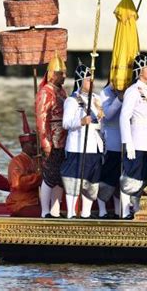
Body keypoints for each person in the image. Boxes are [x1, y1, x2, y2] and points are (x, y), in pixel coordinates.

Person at [61, 61, 104, 219]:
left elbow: (101, 122)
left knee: (91, 183)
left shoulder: (97, 99)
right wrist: (81, 122)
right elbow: (66, 123)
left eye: (92, 79)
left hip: (94, 146)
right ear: (80, 80)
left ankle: (86, 214)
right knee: (74, 180)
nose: (91, 82)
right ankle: (71, 213)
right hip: (78, 147)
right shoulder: (72, 101)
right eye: (87, 79)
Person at [119, 54, 147, 219]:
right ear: (140, 70)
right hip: (138, 139)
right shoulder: (133, 91)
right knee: (131, 176)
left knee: (146, 177)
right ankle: (125, 210)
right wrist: (127, 142)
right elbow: (124, 117)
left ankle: (138, 209)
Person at [36, 53, 68, 218]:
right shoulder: (45, 92)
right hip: (52, 139)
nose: (65, 76)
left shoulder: (62, 92)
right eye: (62, 73)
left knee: (59, 177)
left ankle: (55, 211)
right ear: (54, 74)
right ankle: (45, 211)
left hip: (64, 140)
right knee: (49, 176)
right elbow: (41, 119)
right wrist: (45, 142)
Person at [6, 111, 42, 217]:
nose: (36, 147)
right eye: (33, 144)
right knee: (43, 214)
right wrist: (40, 176)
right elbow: (18, 184)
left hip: (35, 201)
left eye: (37, 144)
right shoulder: (16, 162)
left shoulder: (38, 160)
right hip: (21, 203)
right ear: (24, 145)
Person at [97, 82, 123, 219]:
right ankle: (102, 209)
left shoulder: (129, 90)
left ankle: (119, 210)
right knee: (108, 177)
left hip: (125, 139)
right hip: (111, 139)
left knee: (120, 178)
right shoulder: (105, 92)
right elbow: (108, 114)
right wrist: (119, 99)